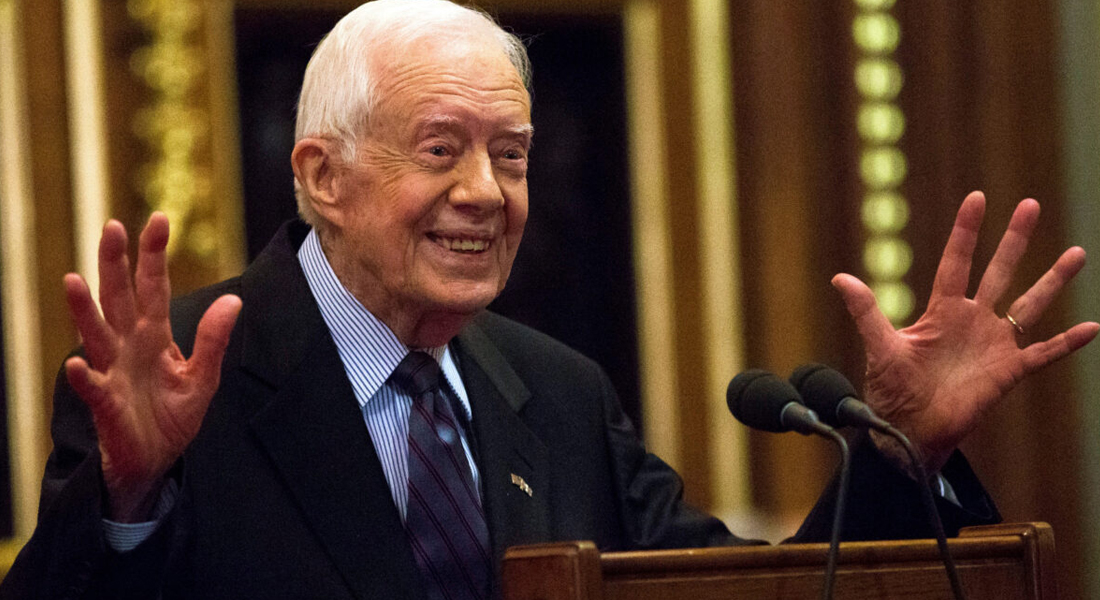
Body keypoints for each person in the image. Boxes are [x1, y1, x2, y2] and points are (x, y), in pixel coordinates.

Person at [2, 0, 1097, 598]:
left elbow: (734, 595)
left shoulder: (558, 392)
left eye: (513, 155)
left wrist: (902, 450)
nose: (487, 193)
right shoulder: (180, 379)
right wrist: (128, 498)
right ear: (323, 176)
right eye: (442, 149)